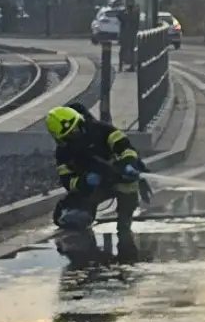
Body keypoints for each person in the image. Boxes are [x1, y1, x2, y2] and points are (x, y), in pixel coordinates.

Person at [45, 105, 147, 257]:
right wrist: (85, 181)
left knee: (129, 187)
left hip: (119, 178)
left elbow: (126, 148)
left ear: (81, 122)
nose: (75, 135)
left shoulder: (103, 131)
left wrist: (128, 164)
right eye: (69, 135)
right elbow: (68, 182)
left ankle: (125, 228)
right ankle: (88, 258)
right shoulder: (63, 153)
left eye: (76, 129)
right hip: (92, 187)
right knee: (75, 219)